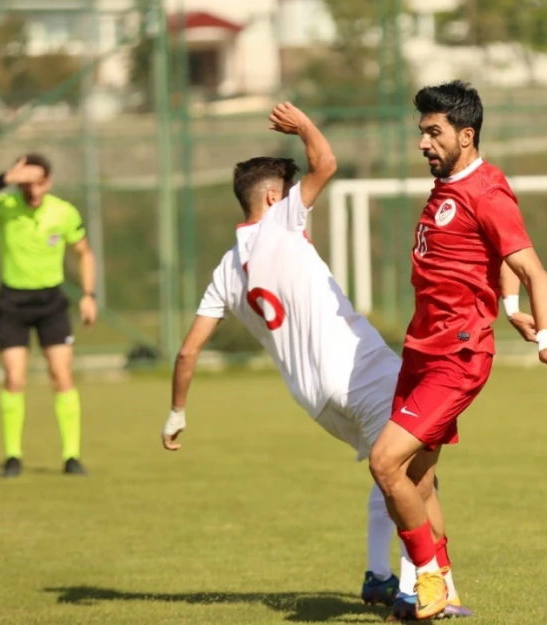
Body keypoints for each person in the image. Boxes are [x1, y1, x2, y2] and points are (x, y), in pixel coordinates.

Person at [161, 103, 469, 615]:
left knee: (386, 469)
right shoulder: (280, 222)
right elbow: (326, 162)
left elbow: (188, 350)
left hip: (313, 399)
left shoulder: (224, 271)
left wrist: (177, 413)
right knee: (417, 476)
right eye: (289, 191)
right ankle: (421, 591)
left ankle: (378, 575)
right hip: (361, 370)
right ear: (271, 197)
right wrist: (304, 125)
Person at [366, 80, 547, 620]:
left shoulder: (486, 190)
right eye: (421, 132)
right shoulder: (450, 184)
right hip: (421, 349)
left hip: (457, 357)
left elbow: (533, 269)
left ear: (467, 134)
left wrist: (545, 339)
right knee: (417, 478)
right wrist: (508, 307)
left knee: (385, 462)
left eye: (434, 133)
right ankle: (448, 591)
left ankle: (428, 583)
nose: (423, 143)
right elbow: (493, 258)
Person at [0, 154, 97, 478]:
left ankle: (71, 456)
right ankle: (12, 456)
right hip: (13, 304)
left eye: (39, 182)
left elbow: (84, 252)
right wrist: (5, 177)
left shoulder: (63, 212)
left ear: (48, 182)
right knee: (14, 378)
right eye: (27, 183)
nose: (33, 190)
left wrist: (89, 295)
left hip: (51, 303)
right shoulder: (6, 207)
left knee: (61, 376)